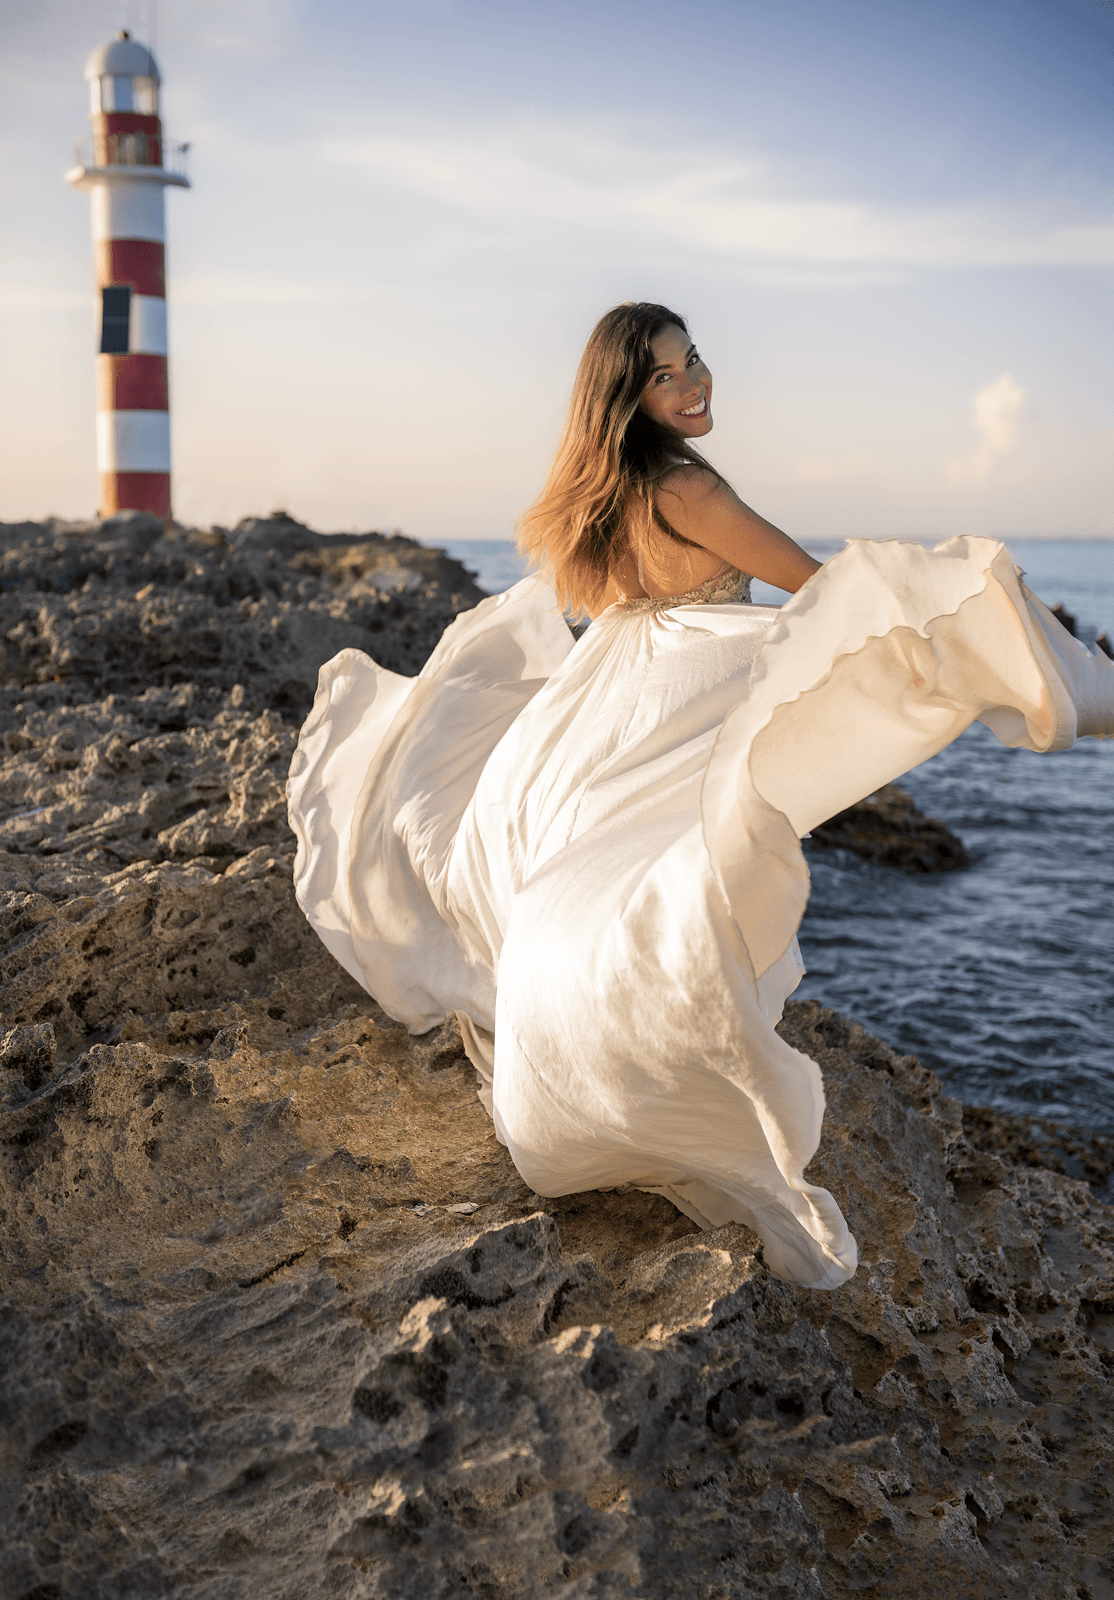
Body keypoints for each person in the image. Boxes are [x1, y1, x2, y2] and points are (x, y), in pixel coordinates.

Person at [288, 301, 1114, 1291]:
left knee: (613, 877)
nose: (697, 382)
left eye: (696, 359)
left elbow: (617, 607)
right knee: (671, 881)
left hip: (611, 692)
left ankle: (612, 1048)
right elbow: (815, 590)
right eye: (668, 374)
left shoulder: (609, 491)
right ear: (629, 397)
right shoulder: (685, 485)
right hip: (671, 691)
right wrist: (967, 621)